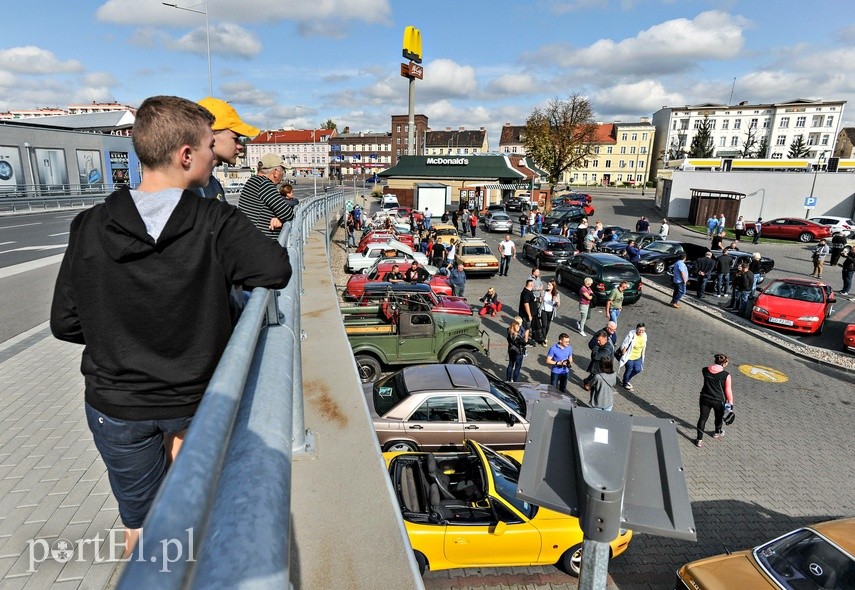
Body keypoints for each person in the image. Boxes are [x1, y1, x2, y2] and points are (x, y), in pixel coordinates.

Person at [50, 95, 292, 557]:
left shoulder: (88, 225)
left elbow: (64, 323)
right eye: (206, 146)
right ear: (186, 156)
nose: (209, 155)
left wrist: (121, 331)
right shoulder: (214, 220)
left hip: (115, 406)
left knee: (141, 525)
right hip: (191, 400)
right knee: (193, 517)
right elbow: (274, 269)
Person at [196, 97, 260, 201]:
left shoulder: (211, 182)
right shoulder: (185, 187)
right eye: (235, 138)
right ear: (209, 135)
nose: (240, 146)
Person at [238, 153, 296, 240]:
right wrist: (281, 217)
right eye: (283, 170)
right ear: (275, 172)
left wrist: (279, 217)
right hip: (259, 244)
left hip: (248, 239)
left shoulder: (252, 181)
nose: (283, 174)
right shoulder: (265, 185)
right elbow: (287, 213)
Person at [694, 353, 734, 448]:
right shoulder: (726, 375)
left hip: (705, 398)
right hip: (718, 400)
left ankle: (699, 440)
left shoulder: (705, 370)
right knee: (718, 417)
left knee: (703, 418)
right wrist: (730, 403)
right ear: (724, 364)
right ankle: (717, 432)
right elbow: (728, 390)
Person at [617, 323, 647, 391]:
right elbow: (625, 344)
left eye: (643, 330)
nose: (641, 332)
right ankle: (625, 383)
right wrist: (623, 351)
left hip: (638, 356)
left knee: (637, 369)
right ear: (636, 329)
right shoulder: (631, 335)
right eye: (640, 330)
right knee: (629, 369)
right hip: (629, 356)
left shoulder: (644, 335)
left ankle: (626, 380)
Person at [506, 316, 529, 382]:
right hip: (519, 352)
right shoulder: (519, 333)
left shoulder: (509, 330)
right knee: (517, 368)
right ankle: (515, 381)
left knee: (510, 365)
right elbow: (524, 343)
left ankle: (508, 379)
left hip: (511, 350)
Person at [539, 279, 560, 345]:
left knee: (548, 325)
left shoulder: (556, 294)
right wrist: (539, 299)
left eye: (549, 285)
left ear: (553, 286)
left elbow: (558, 305)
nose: (547, 286)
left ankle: (544, 336)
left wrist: (556, 301)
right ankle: (543, 339)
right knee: (544, 325)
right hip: (543, 310)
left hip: (550, 311)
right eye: (548, 284)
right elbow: (540, 300)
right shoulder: (544, 292)